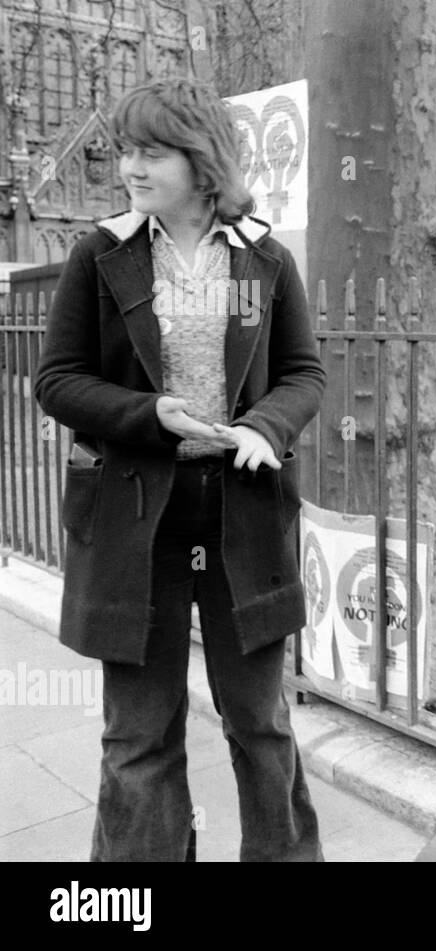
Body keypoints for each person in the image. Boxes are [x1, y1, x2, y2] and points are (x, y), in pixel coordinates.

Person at [35, 78, 325, 861]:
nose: (130, 165)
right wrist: (148, 416)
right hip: (135, 517)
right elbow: (56, 379)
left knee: (261, 722)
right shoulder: (100, 254)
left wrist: (267, 423)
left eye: (151, 151)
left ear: (202, 162)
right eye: (125, 149)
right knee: (138, 732)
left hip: (243, 511)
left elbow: (304, 372)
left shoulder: (265, 258)